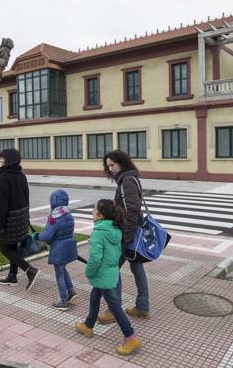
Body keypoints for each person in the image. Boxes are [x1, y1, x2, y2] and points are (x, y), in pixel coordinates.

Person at [75, 199, 141, 355]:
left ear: (100, 215)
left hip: (102, 274)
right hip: (110, 272)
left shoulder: (98, 233)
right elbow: (117, 252)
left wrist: (89, 272)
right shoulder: (115, 229)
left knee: (115, 308)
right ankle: (88, 326)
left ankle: (130, 337)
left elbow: (95, 258)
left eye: (93, 209)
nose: (91, 211)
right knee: (94, 297)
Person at [97, 150, 150, 324]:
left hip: (128, 233)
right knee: (137, 269)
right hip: (132, 230)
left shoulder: (127, 180)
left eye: (113, 165)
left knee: (112, 268)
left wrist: (125, 236)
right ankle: (142, 307)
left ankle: (114, 310)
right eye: (108, 165)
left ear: (122, 163)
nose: (110, 168)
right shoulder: (129, 178)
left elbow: (132, 209)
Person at [0, 148, 40, 290]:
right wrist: (27, 218)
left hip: (9, 220)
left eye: (2, 158)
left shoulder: (5, 177)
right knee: (13, 247)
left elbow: (1, 204)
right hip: (21, 219)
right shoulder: (21, 175)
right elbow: (26, 198)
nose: (0, 160)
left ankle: (29, 270)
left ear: (8, 159)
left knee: (5, 248)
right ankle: (12, 277)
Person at [32, 189, 78, 310]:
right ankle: (71, 292)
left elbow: (46, 236)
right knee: (63, 270)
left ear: (54, 201)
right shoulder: (68, 214)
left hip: (58, 249)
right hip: (68, 248)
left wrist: (37, 236)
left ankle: (63, 300)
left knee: (59, 275)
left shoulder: (54, 218)